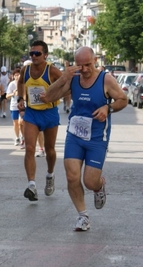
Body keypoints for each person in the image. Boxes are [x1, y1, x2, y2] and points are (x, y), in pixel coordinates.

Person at [41, 46, 127, 231]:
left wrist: (108, 108)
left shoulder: (106, 79)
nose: (85, 69)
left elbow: (123, 99)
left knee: (89, 181)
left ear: (95, 60)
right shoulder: (73, 79)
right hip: (75, 135)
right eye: (80, 66)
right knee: (72, 176)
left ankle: (99, 186)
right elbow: (48, 97)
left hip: (97, 138)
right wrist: (64, 77)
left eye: (88, 64)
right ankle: (83, 216)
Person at [17, 40, 63, 201]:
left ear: (45, 55)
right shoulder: (26, 69)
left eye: (37, 53)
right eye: (31, 53)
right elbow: (20, 82)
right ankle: (32, 185)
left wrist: (52, 96)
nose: (34, 56)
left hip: (50, 113)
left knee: (50, 150)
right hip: (32, 113)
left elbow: (66, 85)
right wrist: (20, 98)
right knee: (30, 148)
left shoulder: (52, 71)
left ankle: (50, 175)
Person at [6, 68, 22, 145]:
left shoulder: (24, 83)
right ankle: (17, 137)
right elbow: (7, 96)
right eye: (15, 75)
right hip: (14, 106)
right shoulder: (12, 84)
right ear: (13, 76)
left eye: (18, 75)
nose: (17, 76)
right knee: (15, 123)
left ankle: (23, 137)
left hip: (22, 106)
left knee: (21, 122)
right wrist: (13, 93)